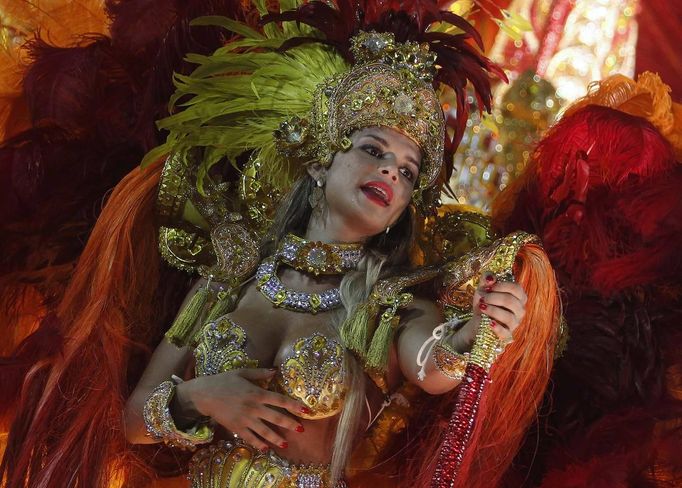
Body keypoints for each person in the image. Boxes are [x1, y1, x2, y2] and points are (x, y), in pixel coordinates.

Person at [0, 2, 560, 487]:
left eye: (409, 173)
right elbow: (132, 423)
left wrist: (481, 329)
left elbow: (434, 362)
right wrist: (202, 397)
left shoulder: (390, 302)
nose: (391, 170)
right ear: (320, 162)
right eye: (372, 149)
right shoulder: (228, 278)